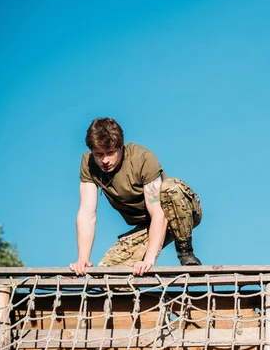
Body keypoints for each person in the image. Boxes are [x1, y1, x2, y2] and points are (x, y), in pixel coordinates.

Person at [69, 117, 202, 276]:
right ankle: (150, 298)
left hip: (179, 210)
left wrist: (149, 260)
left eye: (110, 153)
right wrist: (83, 259)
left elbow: (158, 213)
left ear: (120, 148)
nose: (104, 160)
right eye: (99, 154)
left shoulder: (142, 158)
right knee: (107, 272)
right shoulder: (88, 164)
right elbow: (87, 213)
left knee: (171, 187)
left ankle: (185, 252)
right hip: (146, 225)